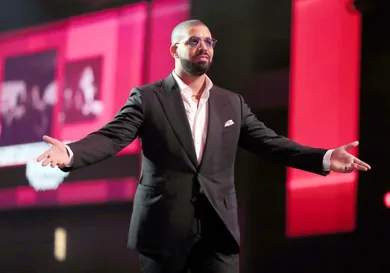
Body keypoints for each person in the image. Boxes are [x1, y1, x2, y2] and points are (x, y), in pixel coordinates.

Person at [37, 19, 371, 273]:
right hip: (163, 230)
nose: (204, 47)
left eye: (209, 41)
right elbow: (112, 136)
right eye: (194, 41)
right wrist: (69, 152)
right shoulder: (148, 98)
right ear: (174, 50)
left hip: (218, 231)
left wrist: (325, 158)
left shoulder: (231, 104)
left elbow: (272, 144)